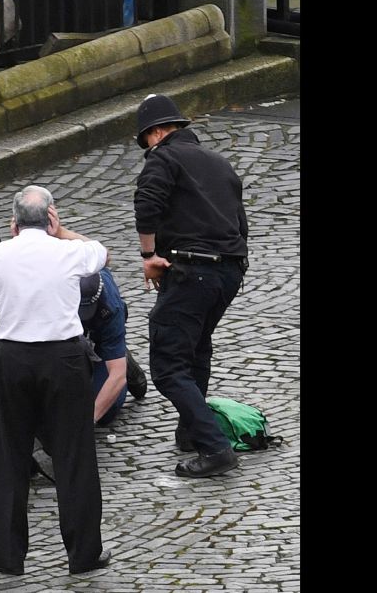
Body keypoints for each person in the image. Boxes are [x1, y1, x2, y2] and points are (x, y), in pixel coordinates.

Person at [0, 185, 111, 577]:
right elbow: (103, 253)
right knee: (74, 455)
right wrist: (63, 232)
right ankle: (83, 554)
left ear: (13, 223)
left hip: (13, 356)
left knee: (9, 456)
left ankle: (9, 556)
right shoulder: (68, 251)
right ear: (51, 217)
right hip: (63, 358)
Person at [133, 93, 249, 478]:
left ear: (156, 132)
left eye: (147, 138)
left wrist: (149, 256)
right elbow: (240, 223)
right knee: (196, 348)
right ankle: (191, 430)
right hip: (229, 271)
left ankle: (215, 447)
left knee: (168, 365)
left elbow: (147, 204)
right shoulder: (219, 162)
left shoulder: (163, 158)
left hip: (191, 269)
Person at [77, 267, 149, 426]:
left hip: (103, 331)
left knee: (105, 412)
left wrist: (89, 422)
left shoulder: (111, 306)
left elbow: (116, 376)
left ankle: (121, 356)